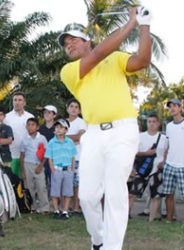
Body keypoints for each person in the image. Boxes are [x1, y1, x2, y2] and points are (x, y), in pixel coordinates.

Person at [58, 7, 152, 249]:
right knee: (87, 197)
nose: (68, 45)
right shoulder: (69, 71)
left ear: (86, 40)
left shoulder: (116, 58)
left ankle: (111, 247)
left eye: (72, 40)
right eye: (65, 44)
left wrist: (144, 24)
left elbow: (142, 60)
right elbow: (99, 52)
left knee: (115, 192)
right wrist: (130, 22)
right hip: (94, 135)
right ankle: (98, 240)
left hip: (123, 131)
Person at [127, 114, 167, 220]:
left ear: (158, 123)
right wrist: (146, 153)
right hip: (141, 169)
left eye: (154, 121)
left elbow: (167, 152)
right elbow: (133, 153)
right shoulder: (140, 137)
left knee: (156, 195)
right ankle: (125, 216)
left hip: (156, 170)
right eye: (149, 121)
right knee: (132, 194)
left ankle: (151, 219)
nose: (151, 124)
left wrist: (164, 162)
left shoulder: (164, 138)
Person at [45, 118, 76, 219]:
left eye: (61, 128)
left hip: (67, 170)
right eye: (57, 127)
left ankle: (65, 211)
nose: (58, 129)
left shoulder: (70, 142)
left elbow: (72, 156)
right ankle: (56, 210)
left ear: (66, 130)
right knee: (55, 191)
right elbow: (49, 158)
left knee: (67, 191)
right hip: (57, 169)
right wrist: (52, 170)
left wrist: (72, 169)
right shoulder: (51, 142)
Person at [20, 117, 49, 214]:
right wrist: (23, 171)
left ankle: (44, 208)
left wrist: (41, 166)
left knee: (41, 187)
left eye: (33, 125)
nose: (30, 127)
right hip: (27, 165)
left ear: (37, 127)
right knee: (29, 187)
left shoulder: (42, 138)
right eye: (28, 125)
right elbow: (22, 155)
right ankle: (32, 206)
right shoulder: (24, 139)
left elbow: (46, 153)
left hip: (38, 165)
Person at [162, 99, 184, 223]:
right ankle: (169, 220)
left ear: (180, 108)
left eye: (175, 106)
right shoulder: (169, 126)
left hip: (183, 165)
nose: (172, 108)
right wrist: (164, 161)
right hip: (169, 165)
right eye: (170, 107)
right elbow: (167, 145)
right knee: (168, 194)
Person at [4, 92, 34, 178]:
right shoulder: (6, 117)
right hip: (11, 156)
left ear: (24, 103)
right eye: (15, 100)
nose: (17, 102)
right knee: (12, 183)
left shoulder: (30, 117)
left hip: (27, 157)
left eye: (20, 100)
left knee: (27, 184)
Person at [65, 99, 87, 214]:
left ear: (79, 110)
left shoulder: (81, 122)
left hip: (77, 157)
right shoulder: (62, 122)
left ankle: (76, 207)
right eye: (71, 106)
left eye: (76, 107)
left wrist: (64, 136)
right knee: (67, 182)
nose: (73, 109)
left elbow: (80, 137)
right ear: (67, 108)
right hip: (64, 158)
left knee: (77, 183)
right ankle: (67, 206)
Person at [38, 105, 58, 198]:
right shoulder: (40, 129)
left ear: (54, 115)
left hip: (55, 159)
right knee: (43, 181)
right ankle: (45, 202)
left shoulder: (58, 128)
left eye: (49, 112)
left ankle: (56, 203)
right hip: (42, 159)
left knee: (55, 181)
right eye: (45, 112)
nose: (46, 114)